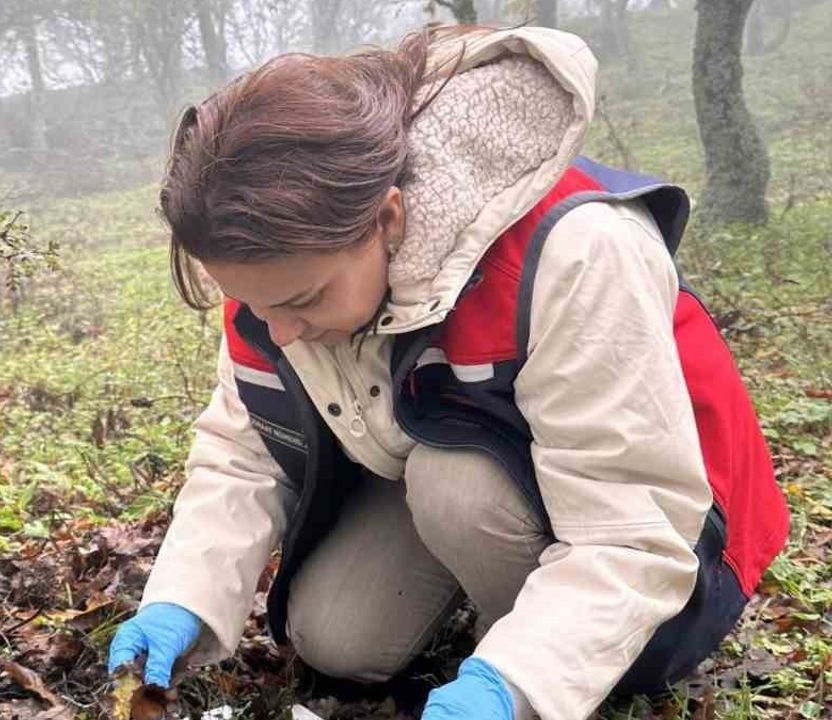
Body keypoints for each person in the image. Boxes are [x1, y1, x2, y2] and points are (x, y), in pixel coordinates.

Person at [106, 24, 789, 720]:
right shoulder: (275, 280)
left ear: (390, 218)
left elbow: (635, 525)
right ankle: (524, 628)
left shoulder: (576, 250)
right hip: (474, 481)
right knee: (337, 638)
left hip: (680, 537)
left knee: (453, 485)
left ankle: (545, 654)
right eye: (253, 302)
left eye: (303, 300)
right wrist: (181, 600)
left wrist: (511, 685)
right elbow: (239, 456)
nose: (275, 331)